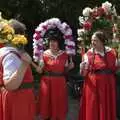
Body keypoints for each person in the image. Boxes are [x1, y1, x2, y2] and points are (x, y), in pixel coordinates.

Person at [79, 31, 119, 120]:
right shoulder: (88, 54)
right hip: (93, 85)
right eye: (92, 40)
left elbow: (115, 69)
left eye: (95, 40)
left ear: (102, 41)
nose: (93, 42)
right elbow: (84, 74)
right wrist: (82, 68)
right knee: (93, 105)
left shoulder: (112, 52)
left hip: (108, 84)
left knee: (106, 105)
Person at [36, 28, 74, 120]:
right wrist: (39, 67)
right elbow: (40, 71)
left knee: (59, 103)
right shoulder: (43, 54)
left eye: (54, 41)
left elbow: (65, 71)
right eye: (50, 41)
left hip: (60, 83)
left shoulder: (65, 55)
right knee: (46, 103)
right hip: (47, 83)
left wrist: (70, 67)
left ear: (59, 43)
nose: (52, 43)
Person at [0, 19, 35, 120]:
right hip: (18, 101)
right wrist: (24, 64)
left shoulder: (4, 52)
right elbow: (11, 85)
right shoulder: (11, 55)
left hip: (16, 98)